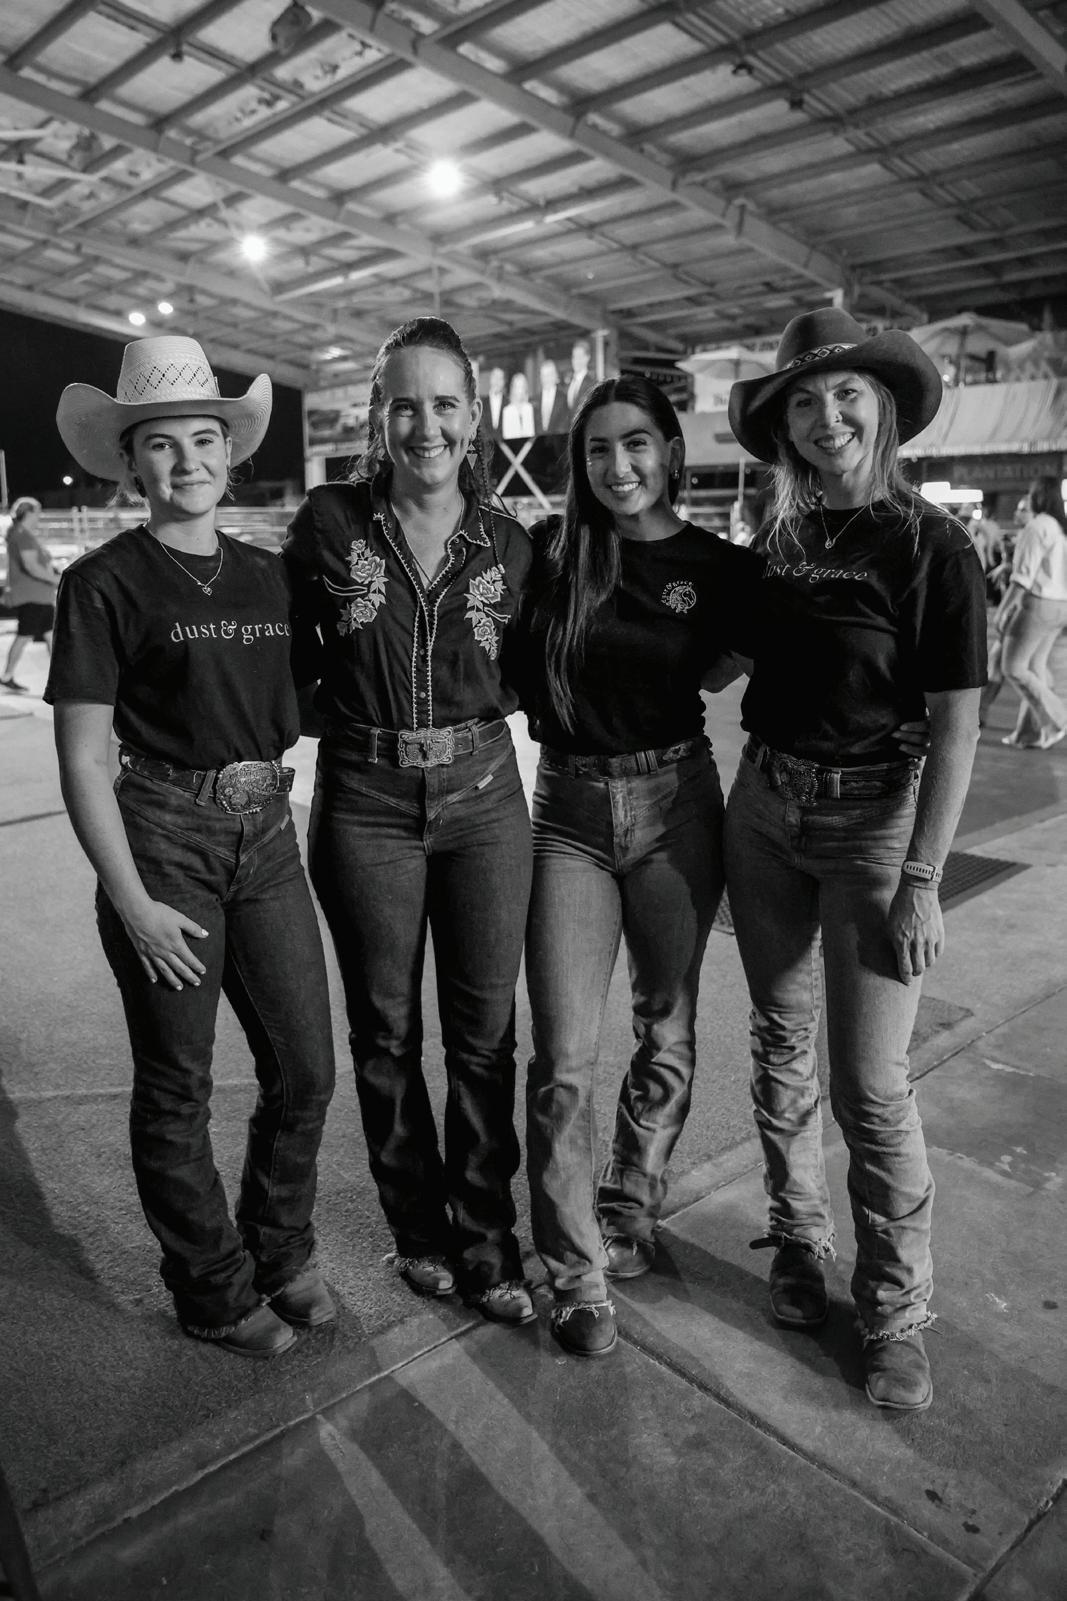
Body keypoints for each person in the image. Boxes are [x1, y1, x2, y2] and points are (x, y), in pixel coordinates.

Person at [46, 335, 337, 1358]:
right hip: (164, 837)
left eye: (203, 439)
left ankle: (279, 1247)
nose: (187, 461)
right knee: (178, 1082)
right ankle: (210, 1285)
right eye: (161, 444)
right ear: (131, 461)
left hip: (268, 835)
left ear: (229, 450)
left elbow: (308, 700)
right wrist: (131, 900)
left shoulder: (271, 576)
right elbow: (83, 758)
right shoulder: (103, 582)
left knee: (305, 1067)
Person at [726, 307, 986, 1411]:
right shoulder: (777, 540)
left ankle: (894, 1307)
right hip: (763, 809)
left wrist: (923, 877)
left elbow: (958, 724)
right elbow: (715, 656)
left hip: (875, 823)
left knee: (870, 1085)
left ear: (879, 406)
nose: (824, 416)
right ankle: (797, 1238)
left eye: (844, 394)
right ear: (783, 425)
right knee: (780, 1041)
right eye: (802, 399)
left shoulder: (931, 545)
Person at [282, 316, 536, 1326]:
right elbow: (279, 655)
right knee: (384, 1031)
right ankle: (419, 1229)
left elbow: (539, 666)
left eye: (443, 405)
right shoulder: (328, 522)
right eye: (403, 405)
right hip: (365, 801)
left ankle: (488, 1237)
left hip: (483, 799)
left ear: (472, 416)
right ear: (376, 416)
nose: (424, 425)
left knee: (483, 1036)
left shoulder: (511, 543)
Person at [516, 376, 765, 1358]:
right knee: (562, 1053)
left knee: (665, 1027)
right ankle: (574, 1268)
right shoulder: (551, 552)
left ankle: (628, 1201)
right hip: (566, 814)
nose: (616, 466)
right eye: (596, 449)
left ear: (670, 451)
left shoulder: (718, 566)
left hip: (674, 808)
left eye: (635, 444)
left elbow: (740, 664)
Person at [999, 477, 1067, 750]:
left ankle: (1058, 718)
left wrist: (1004, 609)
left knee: (1013, 667)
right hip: (1060, 605)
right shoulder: (1060, 529)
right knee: (1036, 667)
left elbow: (1023, 576)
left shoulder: (1037, 526)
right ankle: (1029, 734)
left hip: (1039, 604)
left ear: (1038, 496)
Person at [2, 495, 59, 693]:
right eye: (38, 512)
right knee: (25, 635)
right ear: (28, 513)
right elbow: (31, 566)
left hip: (40, 595)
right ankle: (7, 676)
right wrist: (56, 579)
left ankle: (60, 678)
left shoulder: (23, 534)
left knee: (51, 635)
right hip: (32, 595)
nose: (40, 516)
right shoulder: (22, 535)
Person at [536, 359, 569, 436]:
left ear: (555, 376)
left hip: (557, 440)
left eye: (549, 375)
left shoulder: (563, 398)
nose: (546, 379)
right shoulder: (535, 399)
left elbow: (564, 425)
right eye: (543, 375)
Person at [566, 339, 596, 418]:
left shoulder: (593, 384)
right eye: (574, 357)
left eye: (579, 357)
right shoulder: (568, 383)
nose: (576, 360)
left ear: (587, 358)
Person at [501, 371, 534, 441]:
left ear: (525, 389)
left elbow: (532, 433)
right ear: (513, 389)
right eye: (517, 387)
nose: (520, 390)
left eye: (522, 387)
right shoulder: (507, 411)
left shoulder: (529, 408)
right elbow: (507, 436)